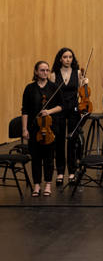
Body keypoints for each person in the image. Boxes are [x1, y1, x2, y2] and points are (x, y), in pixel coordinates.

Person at [21, 61, 62, 197]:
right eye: (42, 70)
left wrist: (49, 111)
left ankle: (48, 184)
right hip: (34, 128)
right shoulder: (29, 88)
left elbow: (61, 106)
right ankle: (37, 185)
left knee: (49, 158)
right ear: (36, 72)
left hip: (50, 128)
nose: (45, 73)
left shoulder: (54, 87)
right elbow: (25, 110)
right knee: (36, 158)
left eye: (47, 70)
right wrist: (24, 129)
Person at [51, 47, 85, 184]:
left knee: (72, 140)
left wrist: (84, 83)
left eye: (70, 57)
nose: (68, 59)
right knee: (59, 141)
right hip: (59, 109)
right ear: (60, 59)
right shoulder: (53, 74)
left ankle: (71, 171)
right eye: (65, 57)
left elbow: (82, 91)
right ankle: (60, 172)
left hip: (74, 109)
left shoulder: (77, 73)